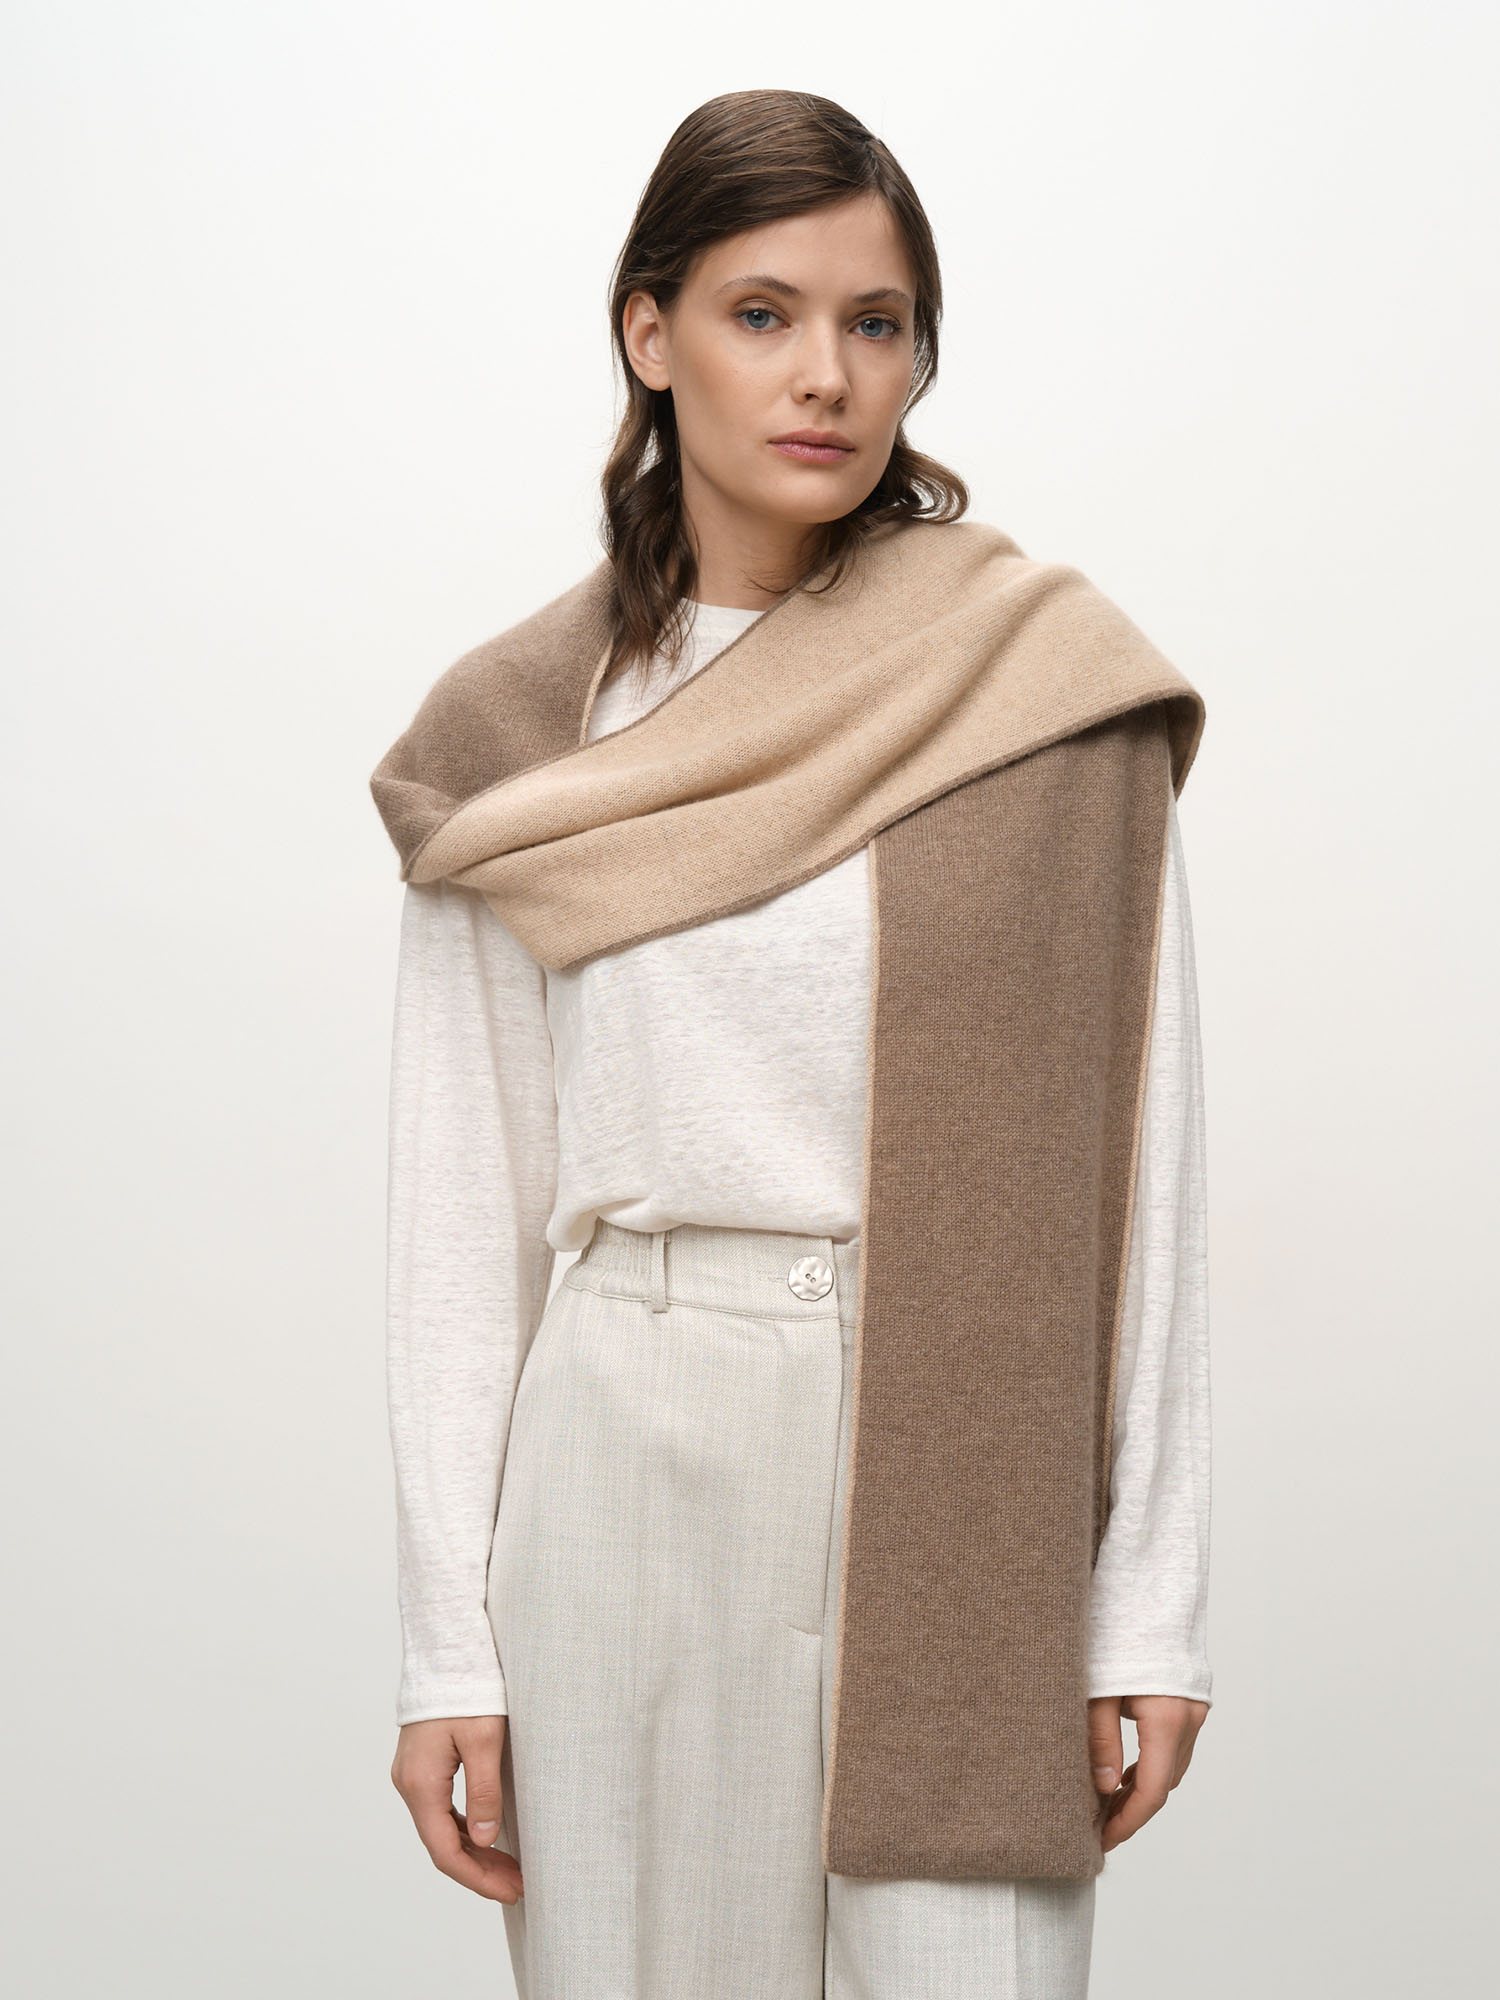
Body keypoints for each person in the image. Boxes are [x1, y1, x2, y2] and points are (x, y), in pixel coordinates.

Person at [370, 88, 1212, 2000]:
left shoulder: (1039, 686)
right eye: (763, 313)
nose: (827, 373)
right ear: (649, 333)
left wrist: (1147, 1606)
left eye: (876, 321)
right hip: (629, 1443)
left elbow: (1143, 1165)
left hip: (962, 1448)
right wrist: (446, 1647)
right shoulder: (521, 738)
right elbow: (462, 1207)